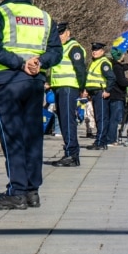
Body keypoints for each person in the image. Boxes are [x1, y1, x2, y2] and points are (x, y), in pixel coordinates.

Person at [0, 0, 63, 209]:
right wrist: (40, 61)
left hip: (7, 81)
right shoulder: (45, 17)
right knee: (32, 137)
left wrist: (19, 63)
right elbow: (57, 52)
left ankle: (16, 191)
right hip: (36, 83)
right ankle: (32, 191)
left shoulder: (1, 13)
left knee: (11, 136)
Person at [49, 22, 86, 167]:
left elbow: (80, 70)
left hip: (69, 87)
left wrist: (82, 88)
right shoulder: (59, 48)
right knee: (64, 121)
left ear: (68, 33)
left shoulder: (74, 47)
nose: (59, 36)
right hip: (60, 87)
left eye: (61, 33)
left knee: (68, 120)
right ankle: (70, 152)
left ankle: (72, 154)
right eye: (57, 34)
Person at [85, 42, 115, 151]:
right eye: (93, 50)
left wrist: (107, 90)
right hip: (94, 93)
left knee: (102, 118)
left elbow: (111, 78)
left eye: (97, 50)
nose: (94, 52)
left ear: (102, 51)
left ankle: (100, 142)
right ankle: (99, 140)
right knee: (98, 118)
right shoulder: (94, 62)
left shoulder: (104, 62)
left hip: (101, 93)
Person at [107, 48, 128, 146]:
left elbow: (124, 67)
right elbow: (121, 82)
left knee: (113, 118)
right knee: (114, 119)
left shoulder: (116, 66)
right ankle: (111, 139)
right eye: (123, 55)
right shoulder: (117, 67)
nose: (124, 56)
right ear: (119, 57)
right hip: (117, 96)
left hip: (116, 95)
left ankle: (111, 138)